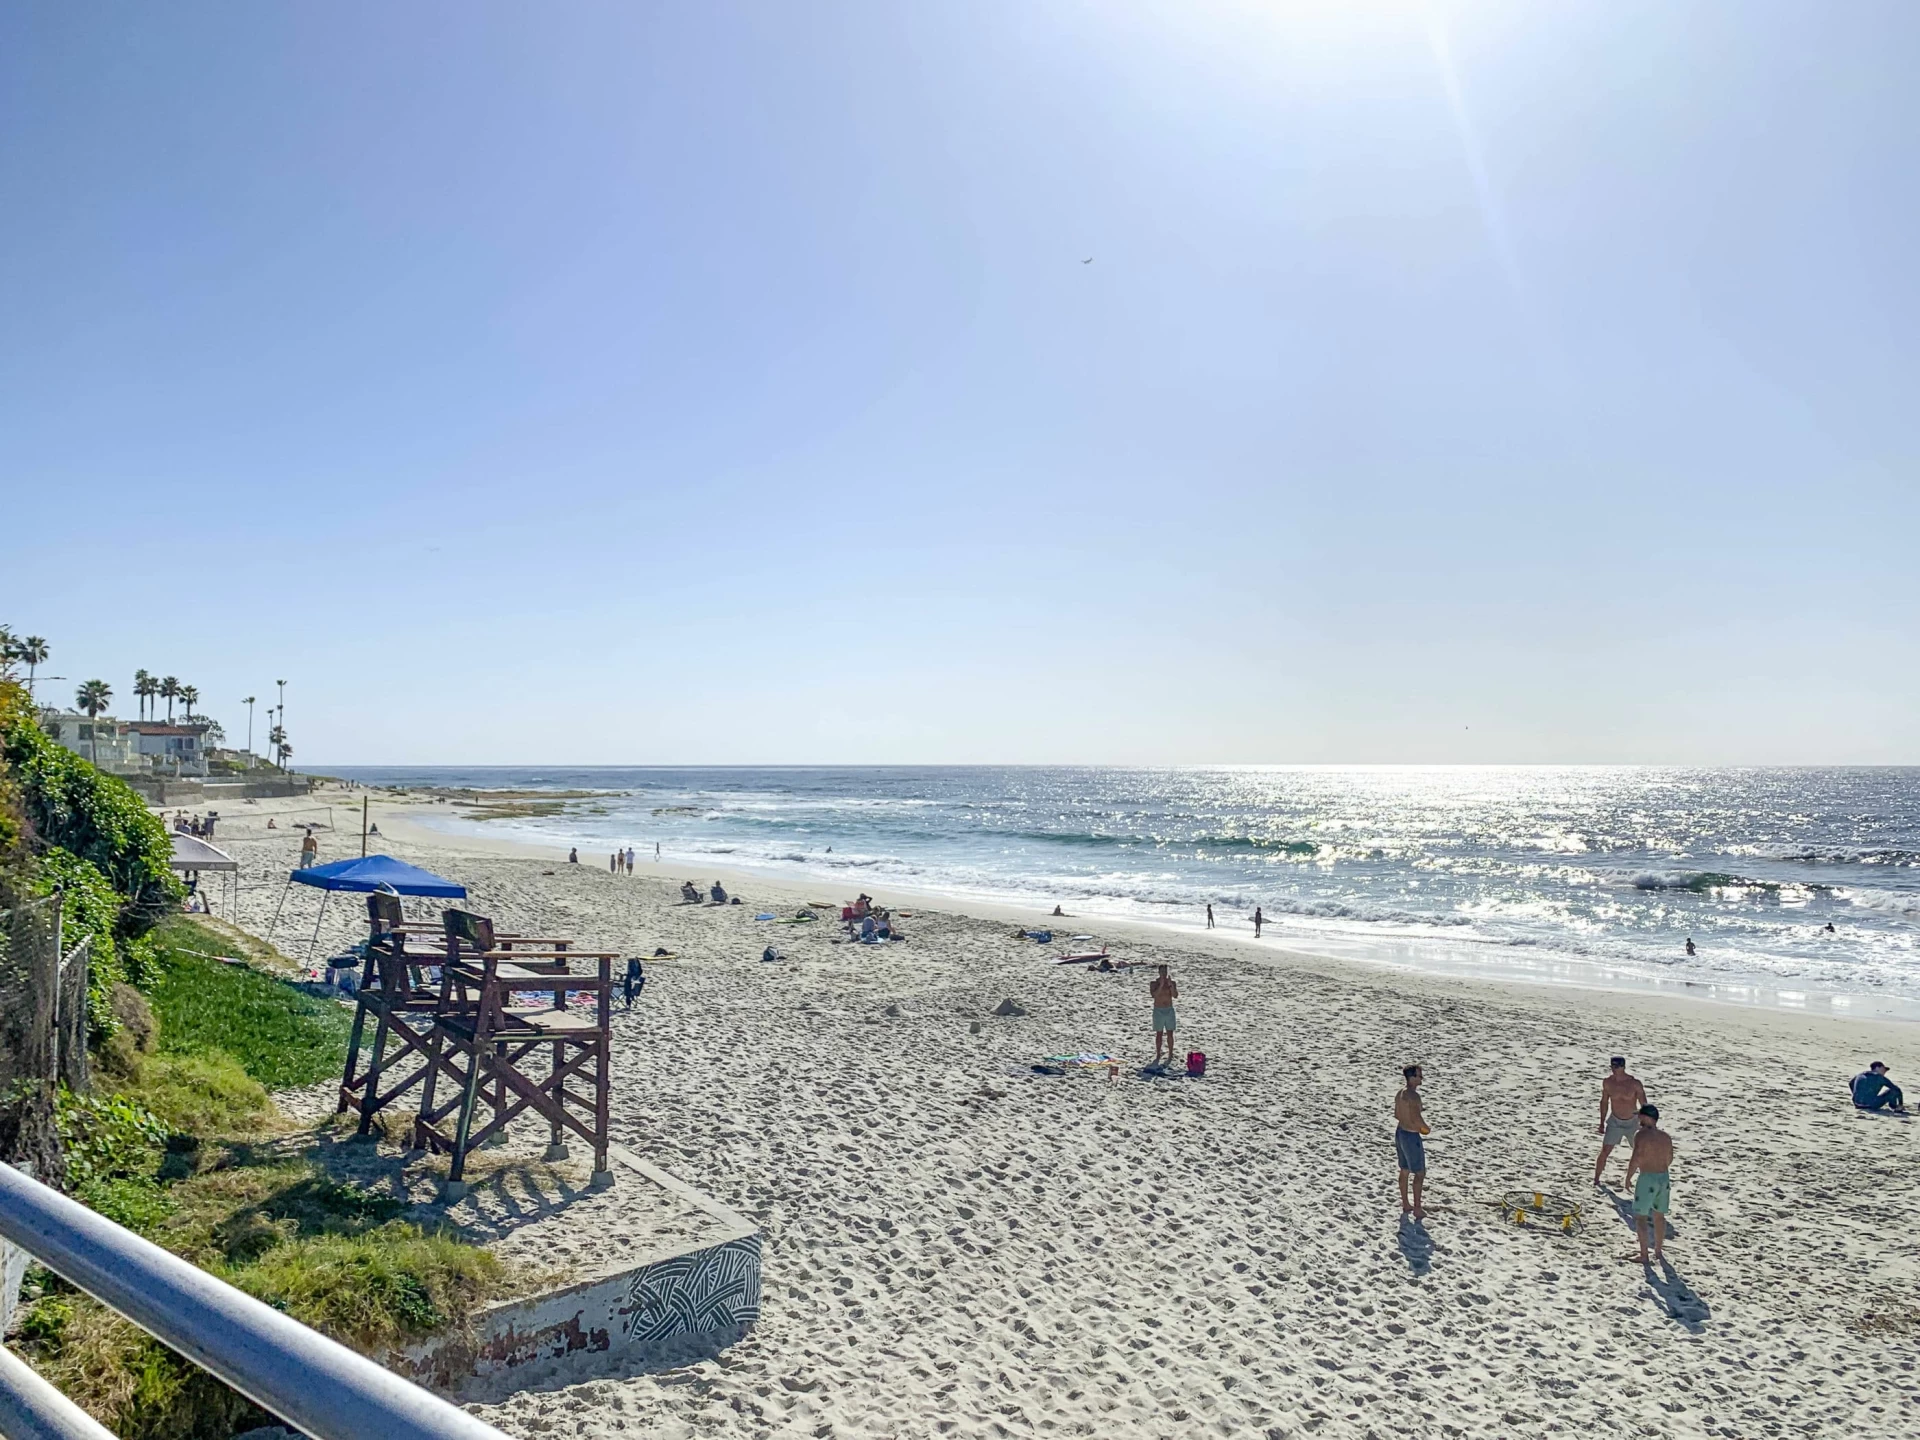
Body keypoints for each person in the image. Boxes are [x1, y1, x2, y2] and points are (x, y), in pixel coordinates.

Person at [1624, 1104, 1675, 1265]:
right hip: (1664, 1178)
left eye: (1640, 1116)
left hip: (1648, 1178)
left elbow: (1636, 1157)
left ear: (1647, 1118)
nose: (1638, 1119)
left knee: (1641, 1218)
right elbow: (1670, 1159)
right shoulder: (1666, 1137)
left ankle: (1644, 1254)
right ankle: (1658, 1251)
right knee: (1659, 1216)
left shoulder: (1641, 1135)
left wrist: (1628, 1177)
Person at [1594, 1056, 1648, 1185]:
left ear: (1623, 1067)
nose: (1614, 1069)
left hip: (1632, 1122)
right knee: (1605, 1150)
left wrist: (1646, 1123)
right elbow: (1604, 1102)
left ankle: (1645, 1179)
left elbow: (1644, 1104)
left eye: (1616, 1067)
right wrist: (1601, 1122)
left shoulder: (1634, 1083)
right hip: (1615, 1121)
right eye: (1612, 1066)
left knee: (1640, 1152)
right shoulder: (1608, 1082)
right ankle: (1596, 1179)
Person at [1395, 1064, 1429, 1218]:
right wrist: (1426, 1129)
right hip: (1411, 1136)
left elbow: (1397, 1114)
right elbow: (1417, 1119)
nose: (1421, 1078)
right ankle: (1417, 1208)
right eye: (1419, 1075)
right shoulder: (1414, 1097)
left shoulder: (1400, 1093)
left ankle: (1405, 1204)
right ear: (1412, 1077)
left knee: (1404, 1169)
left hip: (1400, 1132)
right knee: (1420, 1173)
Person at [1149, 964, 1179, 1064]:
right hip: (1158, 1010)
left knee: (1170, 1033)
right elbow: (1154, 995)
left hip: (1169, 1010)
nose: (1164, 974)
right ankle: (1158, 1053)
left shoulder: (1171, 983)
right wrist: (1161, 985)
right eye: (1162, 972)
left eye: (1165, 972)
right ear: (1159, 972)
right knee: (1159, 1033)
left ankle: (1170, 1053)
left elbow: (1175, 996)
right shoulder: (1154, 983)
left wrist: (1170, 986)